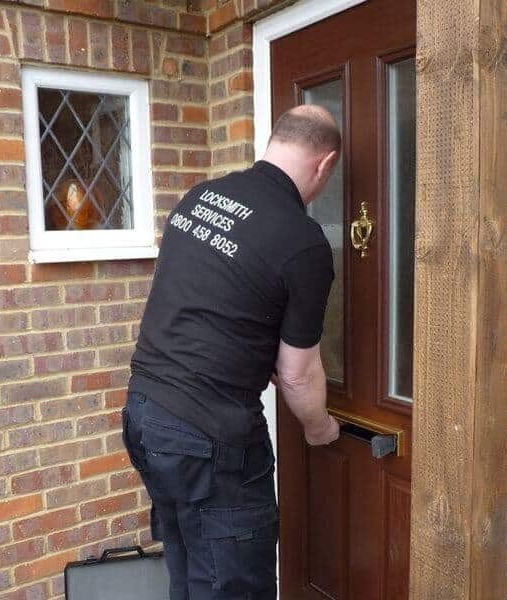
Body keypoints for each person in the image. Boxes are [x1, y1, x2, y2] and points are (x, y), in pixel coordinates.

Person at [122, 105, 342, 600]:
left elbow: (211, 299)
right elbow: (297, 376)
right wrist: (320, 427)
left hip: (145, 415)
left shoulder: (202, 196)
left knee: (191, 569)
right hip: (208, 439)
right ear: (324, 164)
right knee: (231, 586)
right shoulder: (302, 240)